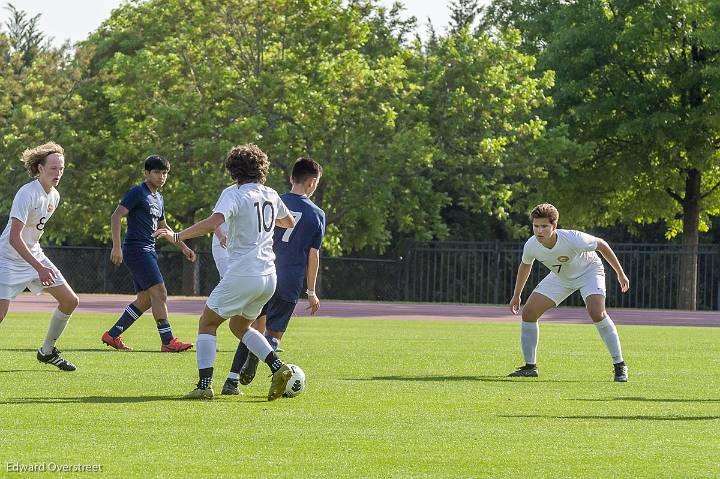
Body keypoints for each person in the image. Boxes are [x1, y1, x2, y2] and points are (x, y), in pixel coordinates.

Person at [154, 144, 298, 401]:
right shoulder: (271, 194)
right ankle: (279, 367)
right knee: (239, 326)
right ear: (261, 168)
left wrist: (177, 235)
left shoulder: (235, 194)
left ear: (234, 170)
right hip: (268, 276)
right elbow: (289, 222)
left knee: (207, 322)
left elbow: (213, 223)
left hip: (244, 272)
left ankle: (204, 385)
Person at [221, 158, 325, 396]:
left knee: (248, 329)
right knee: (274, 333)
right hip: (289, 279)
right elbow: (313, 256)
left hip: (262, 271)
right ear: (312, 183)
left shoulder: (272, 199)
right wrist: (311, 291)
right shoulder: (317, 214)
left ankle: (232, 380)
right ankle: (273, 373)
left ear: (291, 178)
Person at [508, 203, 630, 382]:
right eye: (536, 226)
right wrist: (516, 294)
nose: (539, 231)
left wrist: (620, 273)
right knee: (528, 313)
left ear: (554, 226)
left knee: (597, 312)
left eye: (544, 226)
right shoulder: (531, 245)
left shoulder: (573, 238)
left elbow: (602, 245)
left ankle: (620, 366)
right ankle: (530, 367)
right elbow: (525, 266)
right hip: (561, 277)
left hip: (589, 272)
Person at [101, 155, 195, 352]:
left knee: (145, 300)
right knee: (160, 292)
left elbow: (163, 227)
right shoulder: (138, 192)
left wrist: (183, 246)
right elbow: (116, 215)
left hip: (148, 249)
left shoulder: (158, 198)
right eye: (157, 172)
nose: (161, 177)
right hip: (136, 249)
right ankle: (168, 342)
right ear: (146, 173)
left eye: (165, 173)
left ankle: (113, 334)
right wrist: (116, 247)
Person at [0, 142, 79, 371]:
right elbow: (15, 238)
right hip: (7, 259)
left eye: (61, 168)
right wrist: (41, 268)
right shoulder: (27, 193)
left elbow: (31, 235)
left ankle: (46, 351)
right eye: (53, 168)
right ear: (39, 169)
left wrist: (39, 264)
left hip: (33, 256)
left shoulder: (54, 195)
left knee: (70, 301)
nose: (58, 173)